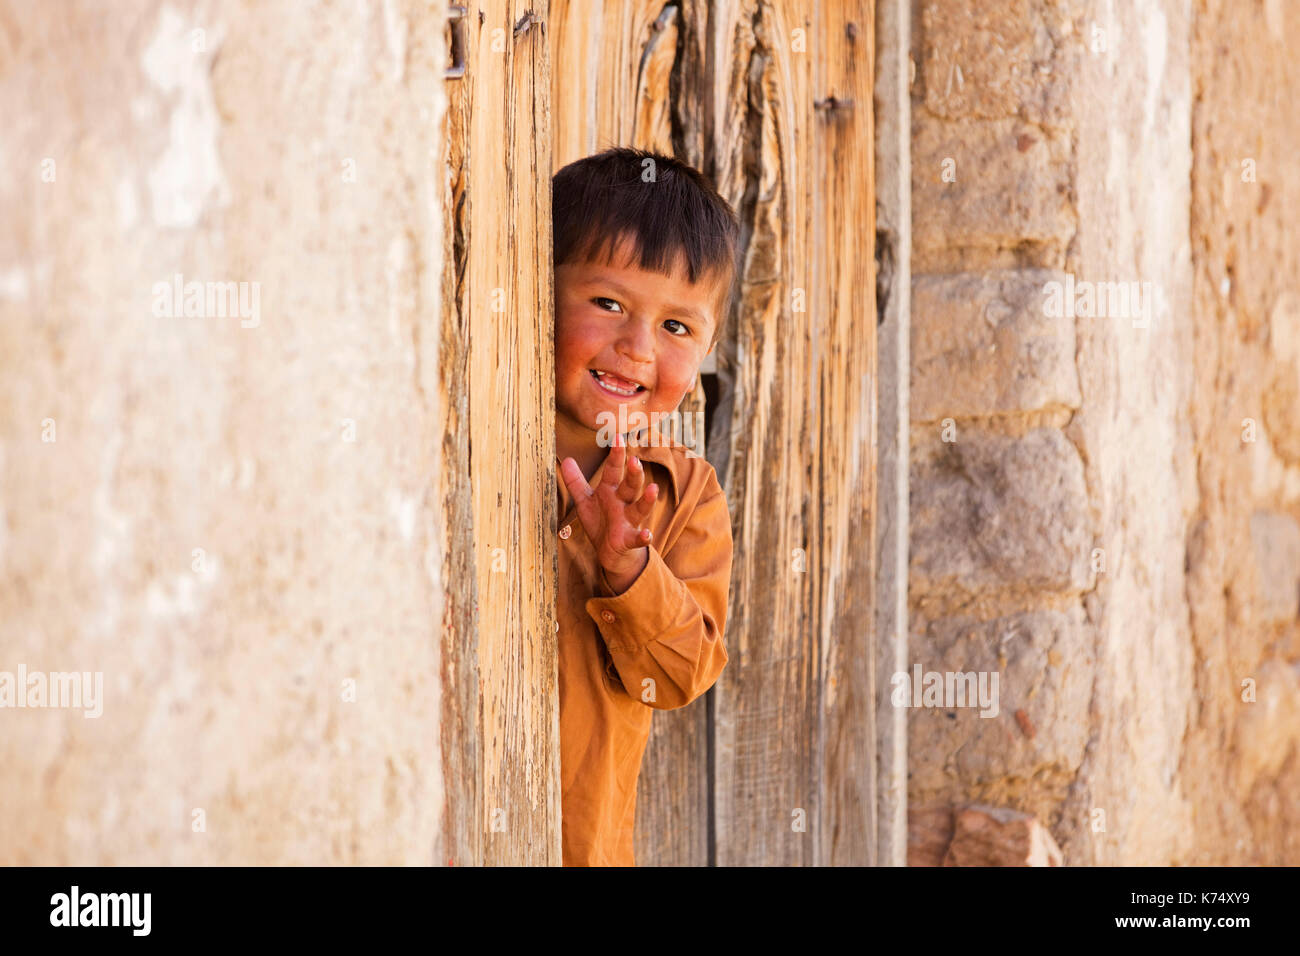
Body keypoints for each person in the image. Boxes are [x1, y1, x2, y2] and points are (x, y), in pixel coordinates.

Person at [552, 147, 739, 866]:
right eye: (608, 305)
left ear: (708, 349)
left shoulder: (685, 496)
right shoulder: (468, 442)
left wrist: (630, 569)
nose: (636, 348)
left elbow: (682, 673)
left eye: (677, 328)